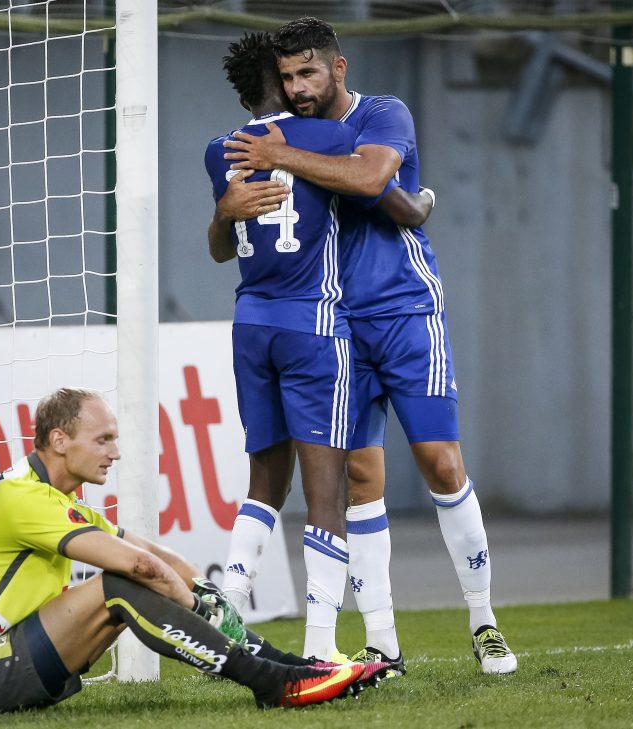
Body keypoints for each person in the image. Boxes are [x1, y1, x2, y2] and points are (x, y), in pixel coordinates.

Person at [220, 17, 517, 675]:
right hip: (334, 325)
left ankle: (483, 617)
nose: (299, 87)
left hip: (406, 310)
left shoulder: (382, 113)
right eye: (288, 76)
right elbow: (388, 201)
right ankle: (382, 638)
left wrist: (283, 157)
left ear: (339, 68)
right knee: (358, 478)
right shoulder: (289, 136)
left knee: (441, 461)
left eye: (309, 72)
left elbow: (370, 176)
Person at [0, 387, 385, 712]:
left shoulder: (49, 496)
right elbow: (139, 565)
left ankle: (297, 668)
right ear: (59, 441)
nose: (116, 452)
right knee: (123, 583)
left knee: (138, 578)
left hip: (2, 663)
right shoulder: (21, 501)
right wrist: (195, 603)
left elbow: (149, 550)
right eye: (103, 439)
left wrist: (204, 590)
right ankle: (272, 683)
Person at [204, 32, 432, 662]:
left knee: (263, 481)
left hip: (251, 325)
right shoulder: (328, 136)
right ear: (281, 85)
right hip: (314, 328)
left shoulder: (215, 151)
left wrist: (225, 211)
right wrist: (420, 207)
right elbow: (374, 183)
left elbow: (221, 245)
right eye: (293, 81)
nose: (305, 91)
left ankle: (229, 599)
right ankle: (323, 649)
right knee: (327, 494)